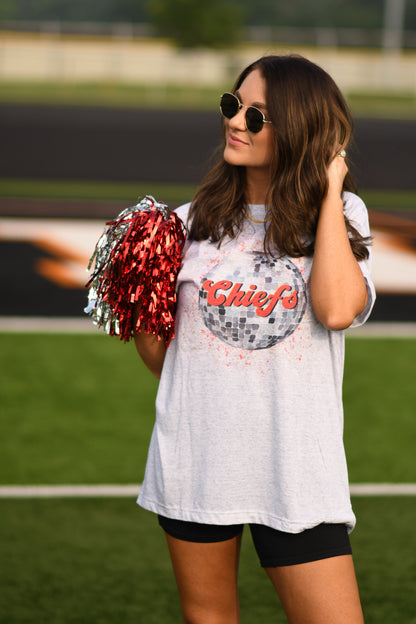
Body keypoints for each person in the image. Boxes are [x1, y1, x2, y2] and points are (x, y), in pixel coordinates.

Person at [134, 54, 375, 624]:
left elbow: (338, 309)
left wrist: (330, 184)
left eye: (257, 115)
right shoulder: (184, 224)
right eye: (232, 105)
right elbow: (166, 362)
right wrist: (144, 310)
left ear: (300, 129)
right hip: (198, 459)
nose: (236, 122)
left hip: (296, 468)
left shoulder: (342, 216)